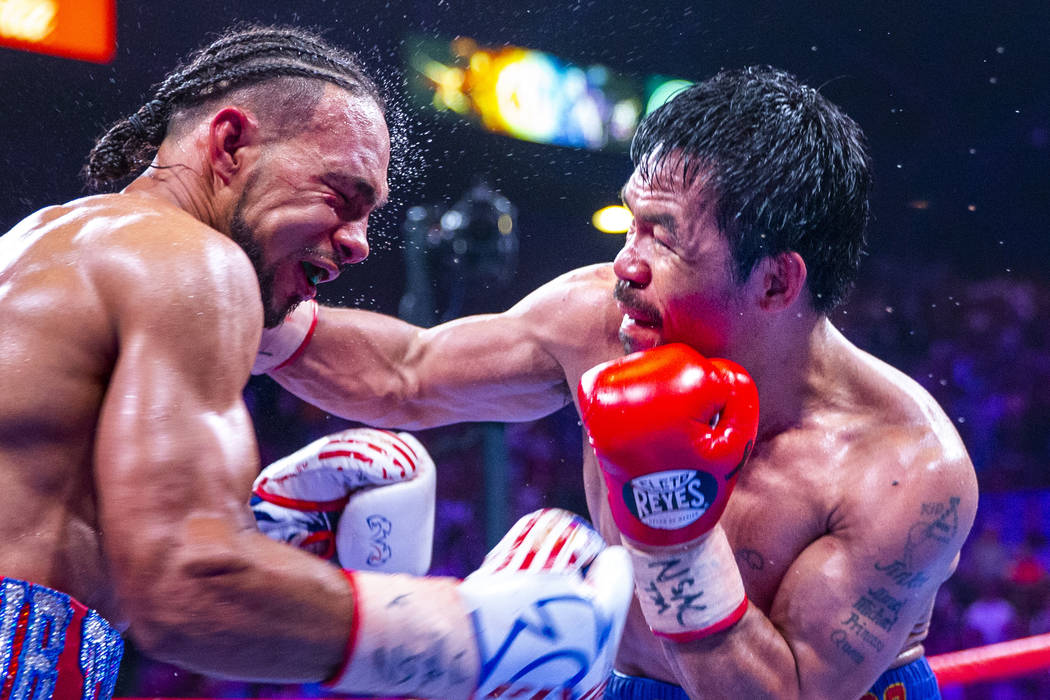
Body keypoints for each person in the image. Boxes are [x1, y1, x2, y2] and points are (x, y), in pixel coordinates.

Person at [257, 66, 979, 698]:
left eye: (663, 237)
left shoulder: (906, 471)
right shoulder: (606, 321)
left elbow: (785, 694)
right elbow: (404, 374)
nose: (626, 264)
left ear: (776, 281)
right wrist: (244, 304)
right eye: (631, 225)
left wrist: (672, 533)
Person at [0, 25, 634, 700]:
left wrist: (256, 534)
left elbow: (404, 371)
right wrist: (469, 635)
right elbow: (181, 586)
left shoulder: (55, 248)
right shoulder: (191, 263)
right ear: (230, 144)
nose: (360, 244)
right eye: (341, 196)